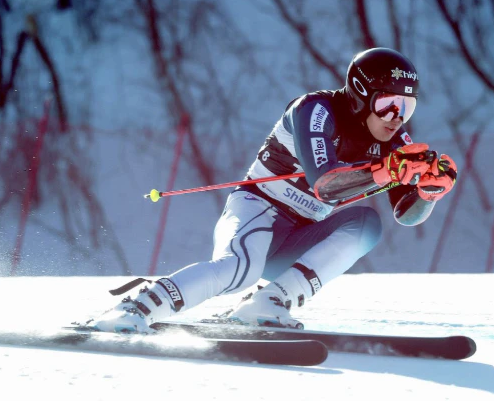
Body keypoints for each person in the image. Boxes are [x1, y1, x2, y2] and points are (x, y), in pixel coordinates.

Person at [92, 47, 458, 333]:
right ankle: (135, 307)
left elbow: (405, 216)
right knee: (239, 269)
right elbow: (325, 184)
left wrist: (428, 193)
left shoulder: (396, 141)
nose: (396, 117)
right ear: (361, 94)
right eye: (388, 104)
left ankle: (270, 301)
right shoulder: (315, 110)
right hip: (259, 210)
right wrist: (384, 173)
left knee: (367, 224)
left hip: (299, 235)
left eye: (406, 107)